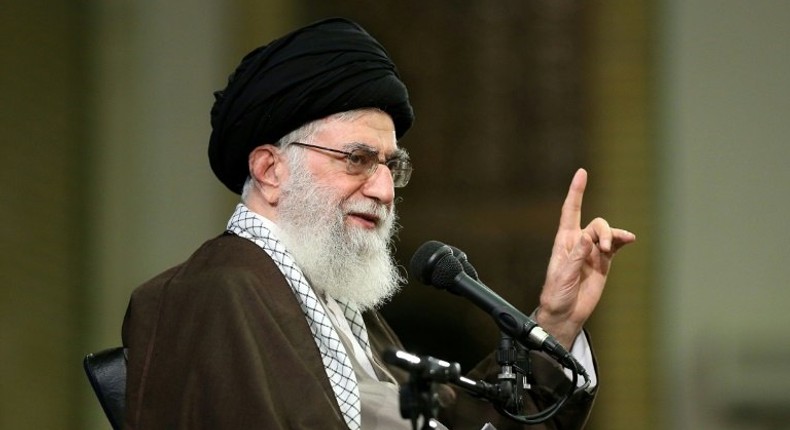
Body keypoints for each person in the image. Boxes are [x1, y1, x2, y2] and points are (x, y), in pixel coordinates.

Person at [121, 17, 636, 430]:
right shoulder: (215, 292)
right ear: (270, 170)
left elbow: (460, 422)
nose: (384, 189)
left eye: (391, 165)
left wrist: (555, 320)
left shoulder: (334, 304)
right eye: (357, 160)